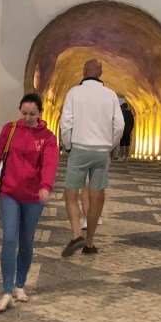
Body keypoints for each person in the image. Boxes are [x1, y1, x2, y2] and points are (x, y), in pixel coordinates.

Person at [0, 93, 58, 312]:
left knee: (26, 241)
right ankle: (7, 291)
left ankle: (19, 285)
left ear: (40, 113)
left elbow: (50, 163)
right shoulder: (10, 129)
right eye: (24, 113)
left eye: (32, 114)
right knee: (9, 239)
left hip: (34, 197)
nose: (27, 118)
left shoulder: (47, 137)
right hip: (10, 193)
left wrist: (45, 186)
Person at [59, 59, 123, 257]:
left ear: (84, 71)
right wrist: (109, 145)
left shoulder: (74, 93)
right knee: (97, 196)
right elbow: (119, 125)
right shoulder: (110, 95)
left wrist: (68, 145)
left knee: (71, 193)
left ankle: (77, 234)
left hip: (79, 148)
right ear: (101, 73)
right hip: (101, 151)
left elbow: (66, 123)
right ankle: (89, 243)